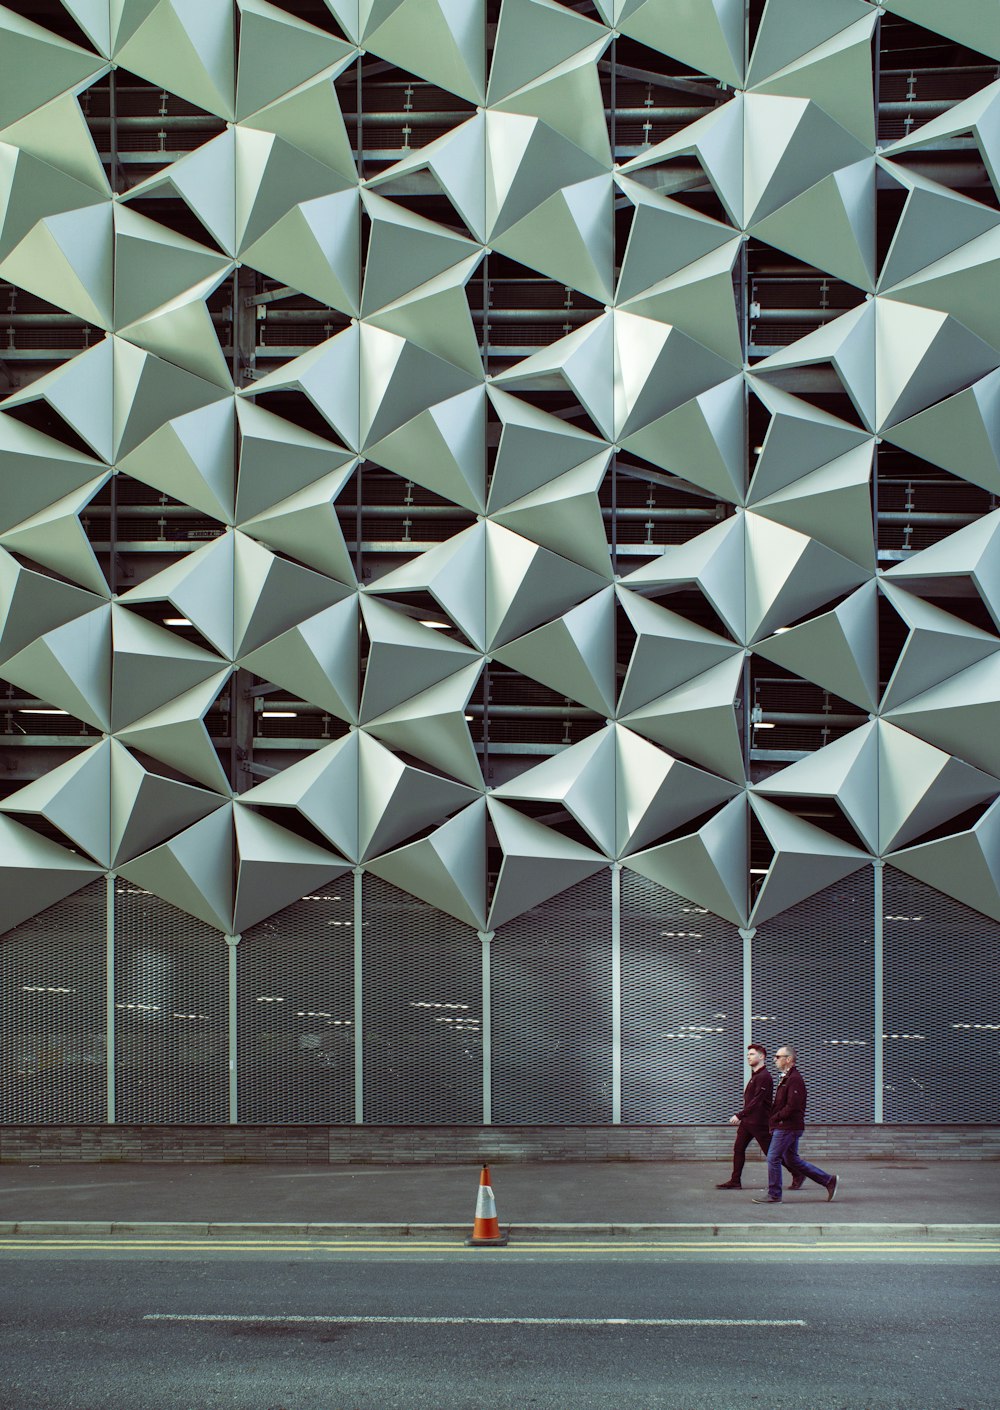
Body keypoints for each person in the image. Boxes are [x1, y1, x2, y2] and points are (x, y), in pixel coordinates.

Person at [751, 1044, 839, 1205]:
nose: (774, 1060)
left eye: (778, 1057)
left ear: (789, 1059)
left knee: (773, 1157)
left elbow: (793, 1106)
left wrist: (774, 1119)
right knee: (792, 1160)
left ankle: (774, 1194)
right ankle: (828, 1180)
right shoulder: (786, 1077)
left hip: (788, 1127)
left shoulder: (794, 1079)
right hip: (785, 1126)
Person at [716, 1043, 791, 1190]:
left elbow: (757, 1101)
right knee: (738, 1149)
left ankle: (797, 1172)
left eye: (751, 1054)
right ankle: (735, 1181)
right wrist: (744, 1117)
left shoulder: (764, 1077)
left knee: (772, 1154)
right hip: (748, 1122)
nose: (748, 1057)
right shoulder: (755, 1076)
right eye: (748, 1055)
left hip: (759, 1123)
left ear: (762, 1056)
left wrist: (739, 1114)